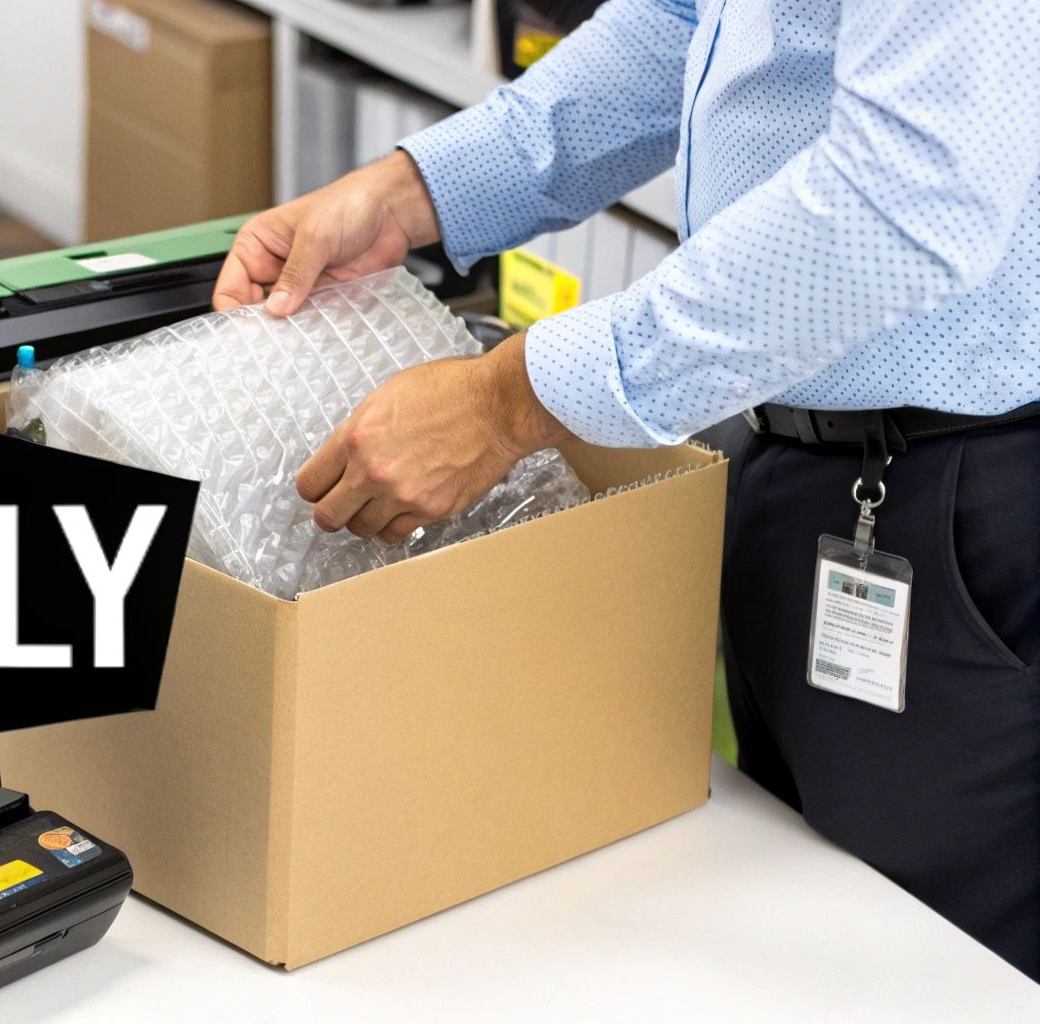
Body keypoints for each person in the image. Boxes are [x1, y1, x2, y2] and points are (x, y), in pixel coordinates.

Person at [215, 0, 1039, 980]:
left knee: (918, 967)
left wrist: (505, 402)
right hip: (792, 446)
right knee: (792, 904)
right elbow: (683, 20)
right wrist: (411, 191)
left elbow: (904, 205)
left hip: (962, 486)